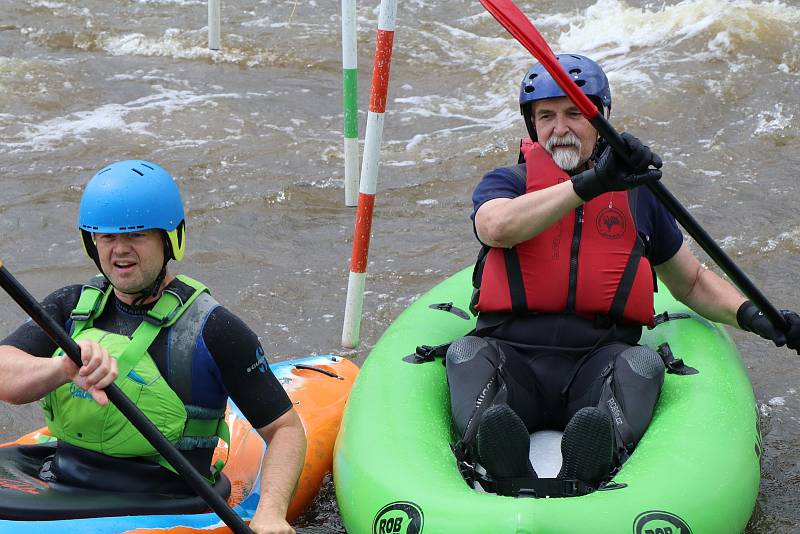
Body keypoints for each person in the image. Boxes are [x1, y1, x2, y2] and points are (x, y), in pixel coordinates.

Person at [447, 54, 800, 497]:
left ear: (602, 120)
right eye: (547, 116)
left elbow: (689, 281)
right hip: (509, 356)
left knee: (641, 364)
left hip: (597, 358)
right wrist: (594, 182)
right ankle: (499, 458)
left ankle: (591, 458)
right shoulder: (507, 183)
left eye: (575, 114)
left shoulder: (640, 198)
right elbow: (496, 228)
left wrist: (756, 316)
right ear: (532, 125)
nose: (561, 128)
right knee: (465, 354)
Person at [0, 160, 306, 534]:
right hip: (63, 482)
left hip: (160, 500)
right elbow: (5, 375)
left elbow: (285, 430)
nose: (120, 251)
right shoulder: (70, 306)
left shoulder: (213, 328)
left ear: (169, 239)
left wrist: (271, 513)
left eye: (137, 236)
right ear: (91, 242)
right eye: (107, 237)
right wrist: (63, 368)